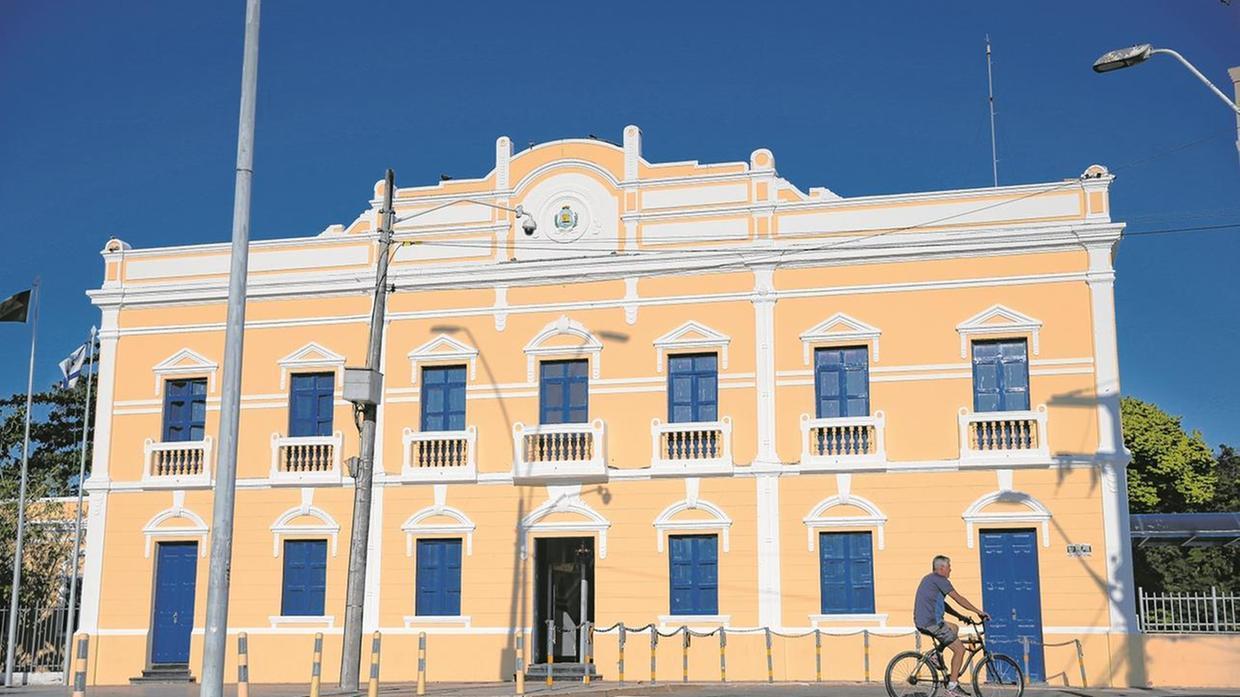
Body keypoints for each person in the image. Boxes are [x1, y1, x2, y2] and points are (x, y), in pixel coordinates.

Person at [914, 555, 990, 696]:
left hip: (925, 621)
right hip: (932, 623)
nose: (951, 570)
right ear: (942, 568)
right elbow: (958, 598)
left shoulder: (929, 579)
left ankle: (936, 654)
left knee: (954, 628)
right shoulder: (940, 580)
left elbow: (943, 604)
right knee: (960, 650)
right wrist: (978, 612)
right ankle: (952, 687)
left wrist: (959, 616)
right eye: (949, 566)